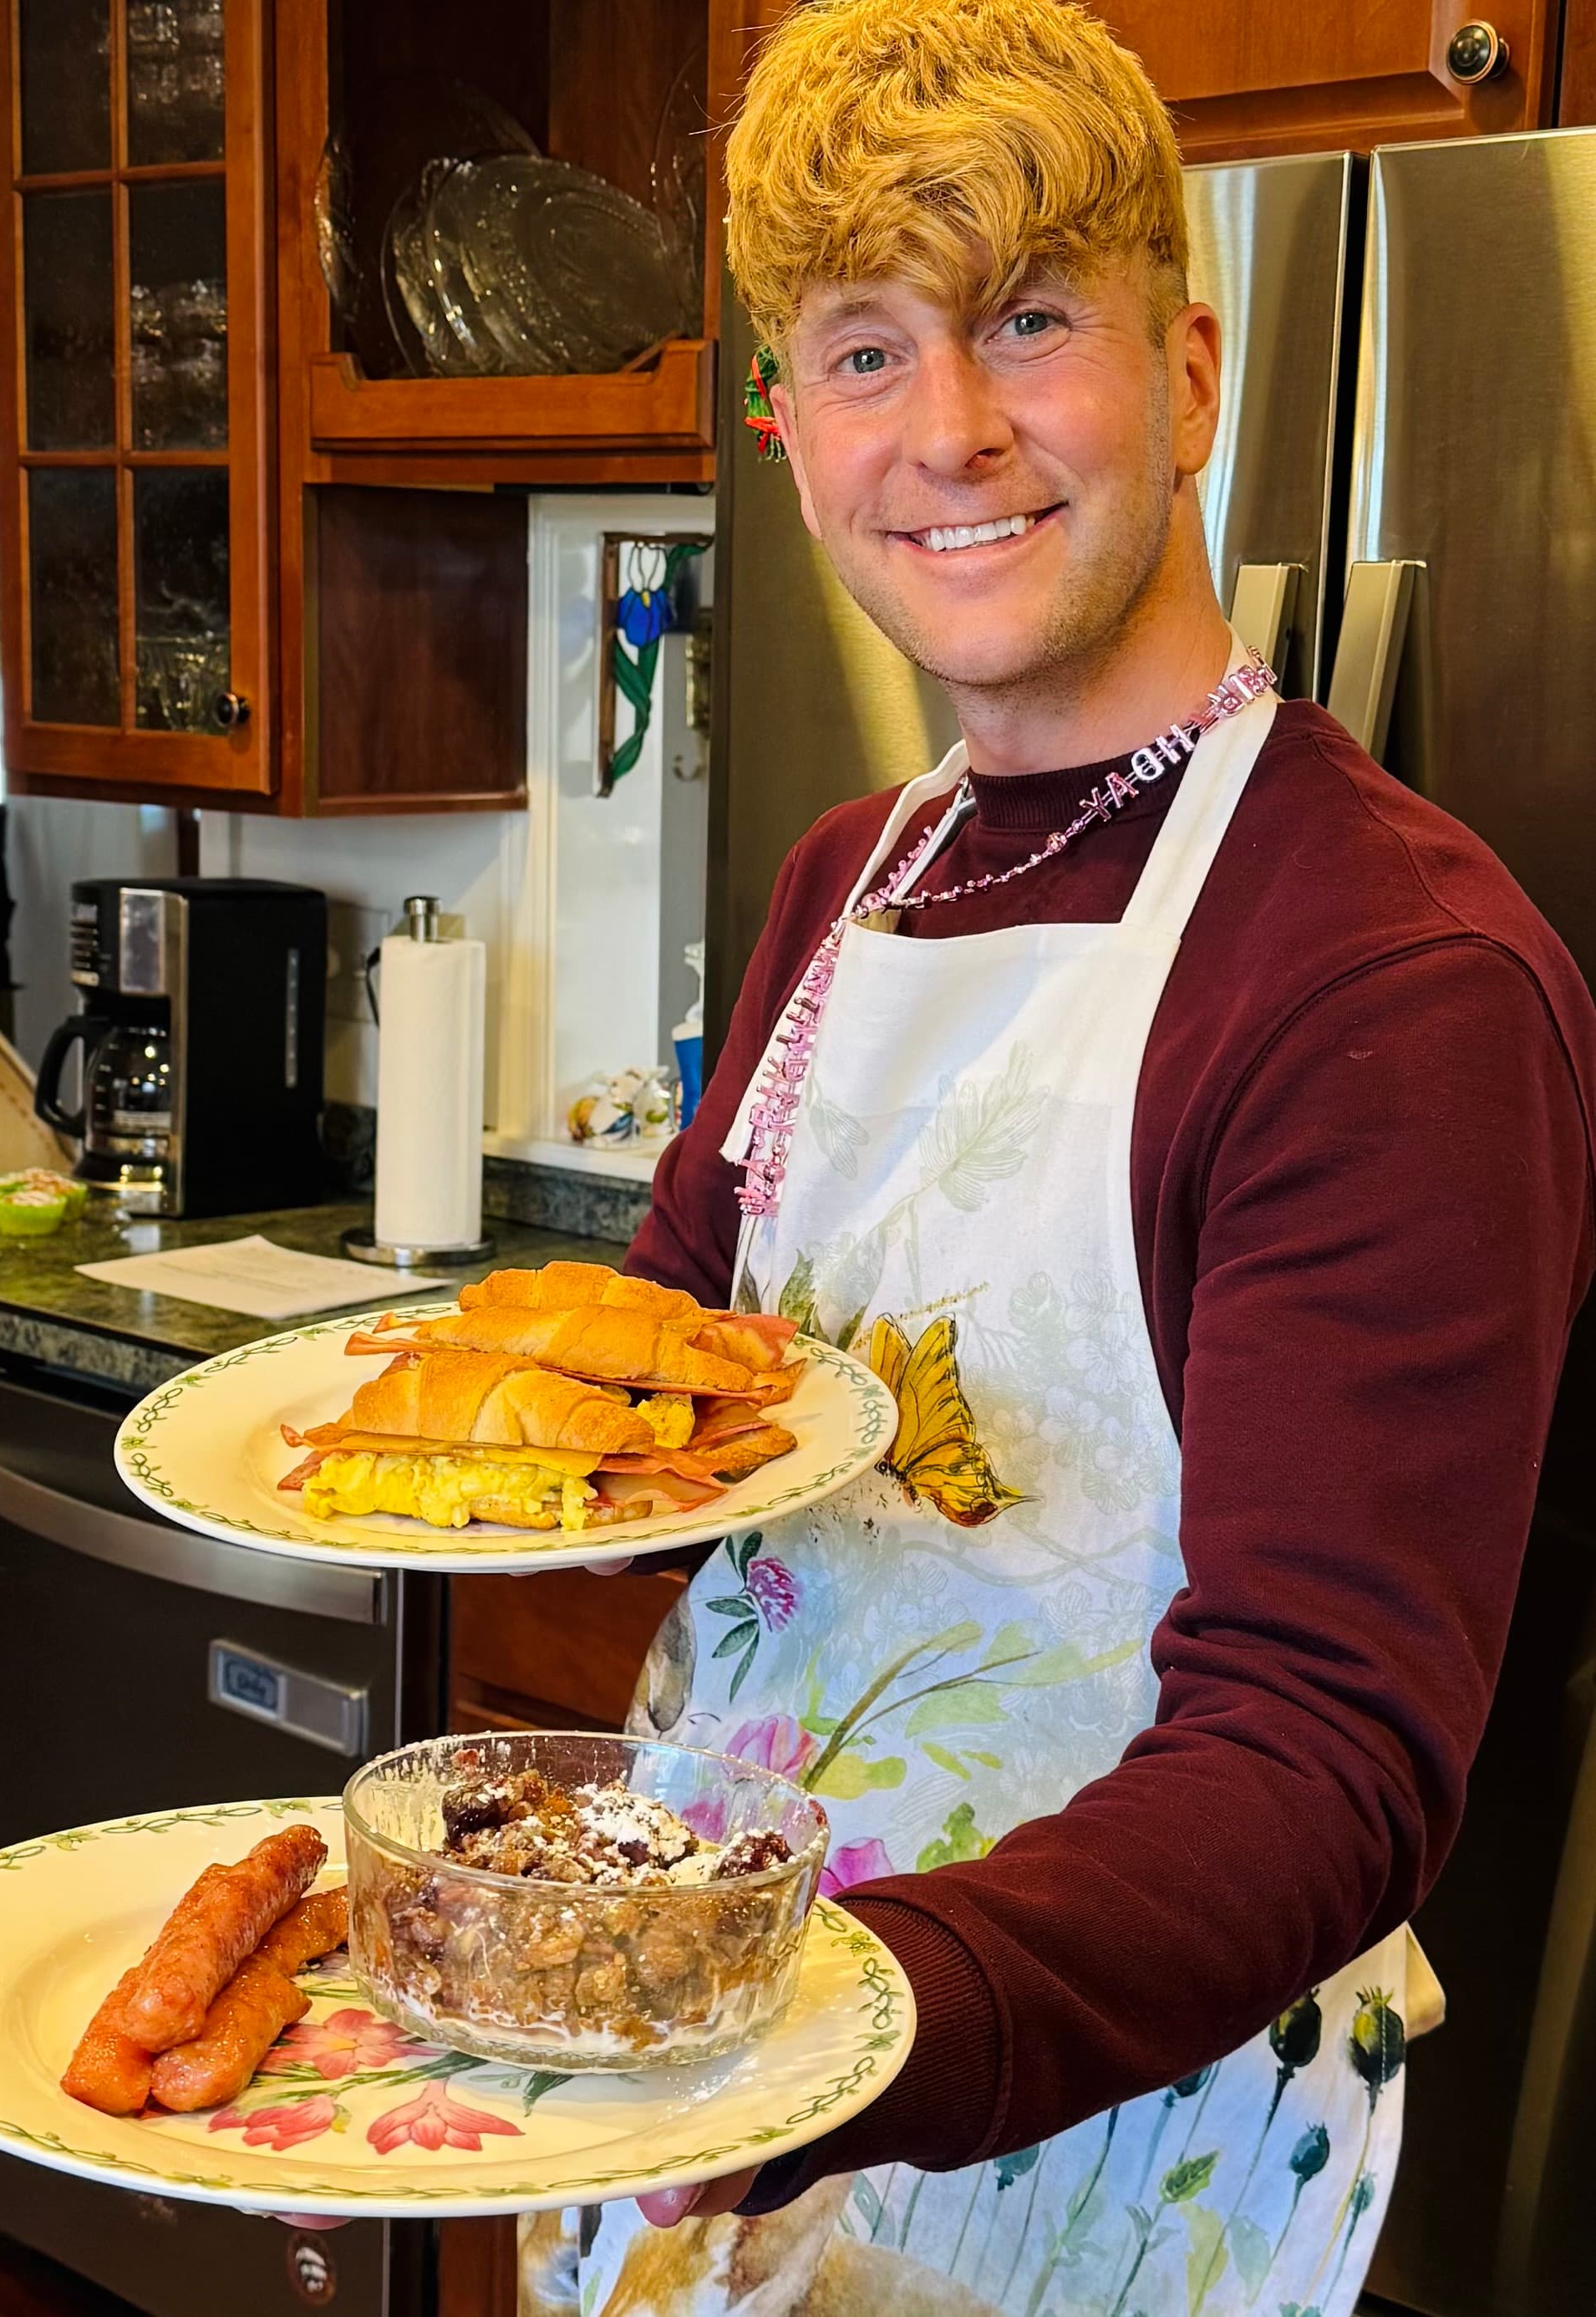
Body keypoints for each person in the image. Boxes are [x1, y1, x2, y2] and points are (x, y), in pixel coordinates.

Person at [534, 4, 1596, 2314]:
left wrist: (830, 2027)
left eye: (1028, 321)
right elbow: (664, 1416)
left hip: (1105, 2138)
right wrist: (472, 1973)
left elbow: (1325, 1751)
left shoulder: (1389, 976)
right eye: (861, 349)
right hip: (700, 2044)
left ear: (1189, 376)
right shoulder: (853, 866)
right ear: (787, 435)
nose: (950, 430)